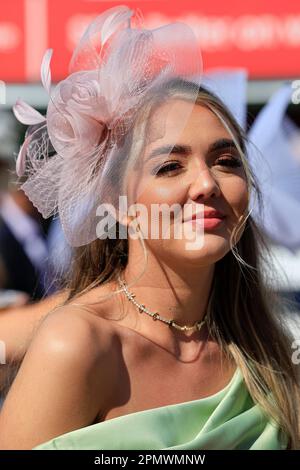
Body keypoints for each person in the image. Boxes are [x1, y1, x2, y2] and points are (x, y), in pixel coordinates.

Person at [0, 5, 299, 450]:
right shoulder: (79, 344)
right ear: (117, 204)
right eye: (170, 166)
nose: (205, 183)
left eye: (226, 161)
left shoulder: (264, 351)